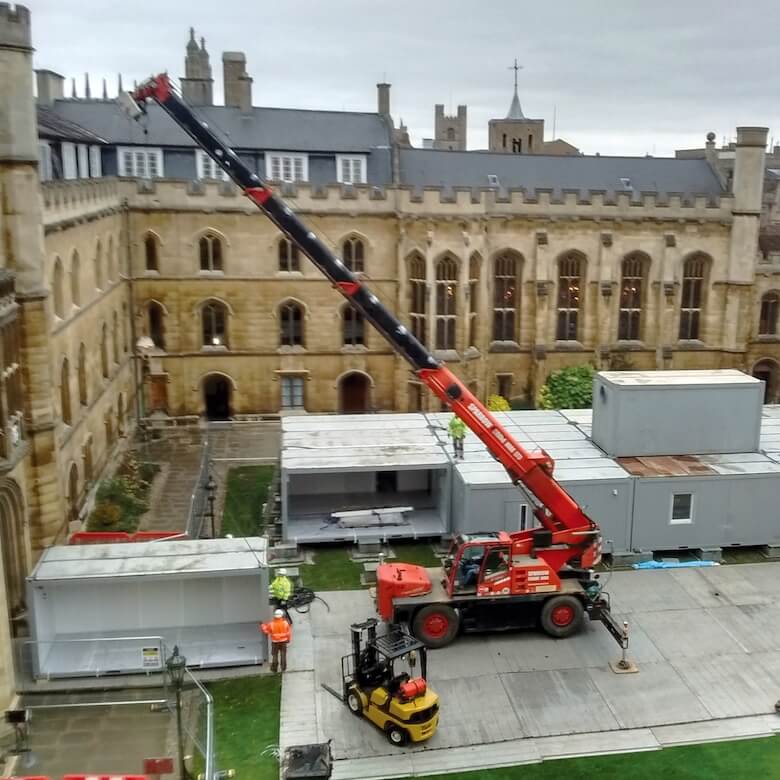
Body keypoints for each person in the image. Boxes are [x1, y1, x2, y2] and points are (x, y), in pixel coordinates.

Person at [260, 609, 292, 673]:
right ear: (282, 615)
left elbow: (266, 631)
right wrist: (288, 640)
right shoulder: (285, 623)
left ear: (275, 616)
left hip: (275, 642)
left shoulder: (271, 624)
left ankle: (274, 669)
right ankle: (283, 668)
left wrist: (262, 625)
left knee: (275, 655)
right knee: (283, 655)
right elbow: (288, 633)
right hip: (283, 642)